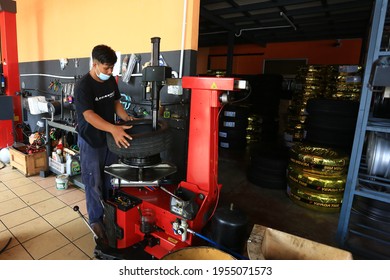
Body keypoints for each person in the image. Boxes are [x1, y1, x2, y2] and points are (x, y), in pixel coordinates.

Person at [74, 44, 133, 243]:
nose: (110, 72)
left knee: (111, 179)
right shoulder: (83, 86)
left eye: (112, 68)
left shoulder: (110, 81)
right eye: (106, 68)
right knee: (94, 182)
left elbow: (116, 101)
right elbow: (89, 115)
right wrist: (114, 128)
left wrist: (125, 118)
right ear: (95, 64)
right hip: (91, 140)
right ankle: (96, 221)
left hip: (109, 139)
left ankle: (111, 212)